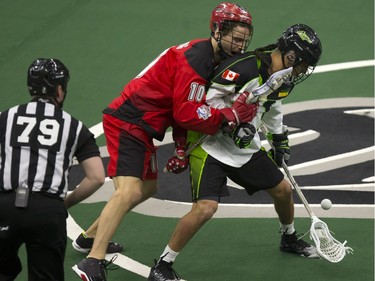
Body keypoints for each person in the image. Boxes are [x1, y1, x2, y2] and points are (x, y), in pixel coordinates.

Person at [72, 2, 259, 281]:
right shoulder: (198, 59)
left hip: (144, 123)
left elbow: (181, 107)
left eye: (245, 38)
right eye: (236, 36)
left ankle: (89, 238)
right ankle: (92, 261)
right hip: (130, 120)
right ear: (218, 30)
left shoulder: (211, 57)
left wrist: (181, 145)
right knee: (130, 190)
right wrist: (226, 115)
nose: (241, 43)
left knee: (147, 187)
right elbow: (186, 112)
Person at [148, 23, 323, 281]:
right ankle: (162, 265)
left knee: (283, 190)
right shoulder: (244, 68)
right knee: (206, 208)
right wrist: (231, 123)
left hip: (244, 148)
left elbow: (272, 106)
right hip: (210, 146)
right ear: (291, 56)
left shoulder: (283, 78)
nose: (302, 70)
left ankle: (288, 237)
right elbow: (208, 101)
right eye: (302, 63)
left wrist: (278, 139)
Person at [0, 58, 105, 281]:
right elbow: (96, 177)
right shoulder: (74, 126)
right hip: (47, 211)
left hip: (5, 206)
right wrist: (64, 202)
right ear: (59, 89)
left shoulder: (6, 117)